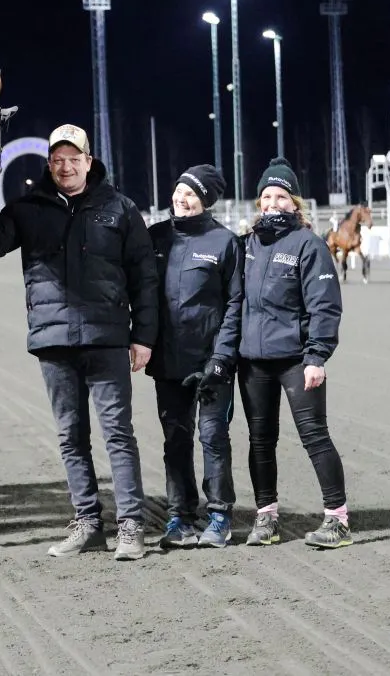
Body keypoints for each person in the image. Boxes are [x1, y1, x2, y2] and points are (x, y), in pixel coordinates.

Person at [0, 123, 158, 561]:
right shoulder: (27, 208)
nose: (66, 166)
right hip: (53, 341)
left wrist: (143, 336)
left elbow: (144, 276)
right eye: (58, 159)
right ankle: (88, 523)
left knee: (118, 435)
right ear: (48, 164)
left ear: (89, 162)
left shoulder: (120, 208)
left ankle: (130, 526)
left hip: (107, 338)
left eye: (75, 158)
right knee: (71, 436)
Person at [239, 157, 349, 548]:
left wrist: (317, 356)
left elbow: (324, 304)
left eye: (281, 196)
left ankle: (337, 520)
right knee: (260, 440)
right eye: (266, 195)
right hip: (252, 362)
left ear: (294, 202)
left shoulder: (309, 244)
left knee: (314, 436)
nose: (272, 202)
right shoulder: (248, 243)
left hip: (297, 360)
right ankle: (266, 517)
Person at [147, 165, 243, 549]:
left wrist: (221, 359)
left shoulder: (225, 242)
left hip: (211, 363)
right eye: (178, 190)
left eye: (190, 193)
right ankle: (179, 517)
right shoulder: (154, 237)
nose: (180, 199)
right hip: (168, 362)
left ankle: (219, 515)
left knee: (213, 437)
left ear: (205, 200)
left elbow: (236, 303)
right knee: (175, 440)